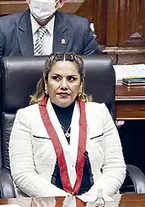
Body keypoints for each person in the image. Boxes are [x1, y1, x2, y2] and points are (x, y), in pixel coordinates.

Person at [0, 0, 100, 195]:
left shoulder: (79, 29)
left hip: (64, 116)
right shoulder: (3, 29)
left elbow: (94, 78)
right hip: (10, 120)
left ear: (61, 1)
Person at [8, 53, 125, 198]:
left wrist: (93, 198)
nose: (64, 86)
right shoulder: (26, 117)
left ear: (81, 84)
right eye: (56, 78)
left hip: (95, 205)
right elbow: (23, 174)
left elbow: (115, 168)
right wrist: (65, 201)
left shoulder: (100, 113)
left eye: (71, 79)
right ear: (46, 82)